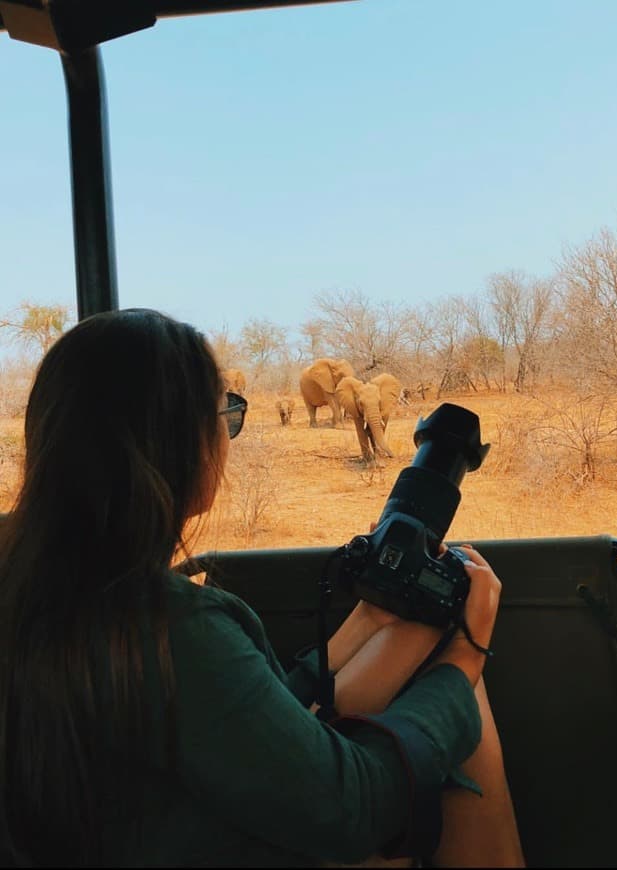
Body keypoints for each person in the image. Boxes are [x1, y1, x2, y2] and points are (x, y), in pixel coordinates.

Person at [0, 308, 523, 868]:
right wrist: (467, 653)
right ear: (180, 444)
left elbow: (248, 715)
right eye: (226, 416)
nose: (227, 438)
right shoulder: (166, 624)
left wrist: (373, 618)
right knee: (457, 694)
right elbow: (350, 811)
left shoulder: (45, 582)